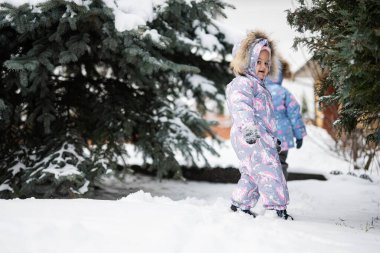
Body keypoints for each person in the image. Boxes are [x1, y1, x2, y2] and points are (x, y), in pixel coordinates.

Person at [226, 31, 293, 220]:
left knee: (253, 173)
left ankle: (239, 205)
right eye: (258, 62)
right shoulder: (243, 83)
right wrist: (249, 128)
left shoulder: (259, 86)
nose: (263, 67)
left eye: (266, 63)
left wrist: (271, 139)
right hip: (249, 133)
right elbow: (241, 106)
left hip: (257, 134)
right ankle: (276, 209)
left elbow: (265, 117)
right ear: (246, 62)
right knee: (270, 168)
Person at [265, 57, 307, 180]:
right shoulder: (284, 93)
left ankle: (268, 186)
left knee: (266, 163)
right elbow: (295, 114)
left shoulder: (259, 92)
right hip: (282, 136)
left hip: (265, 136)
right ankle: (281, 187)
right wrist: (299, 135)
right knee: (281, 162)